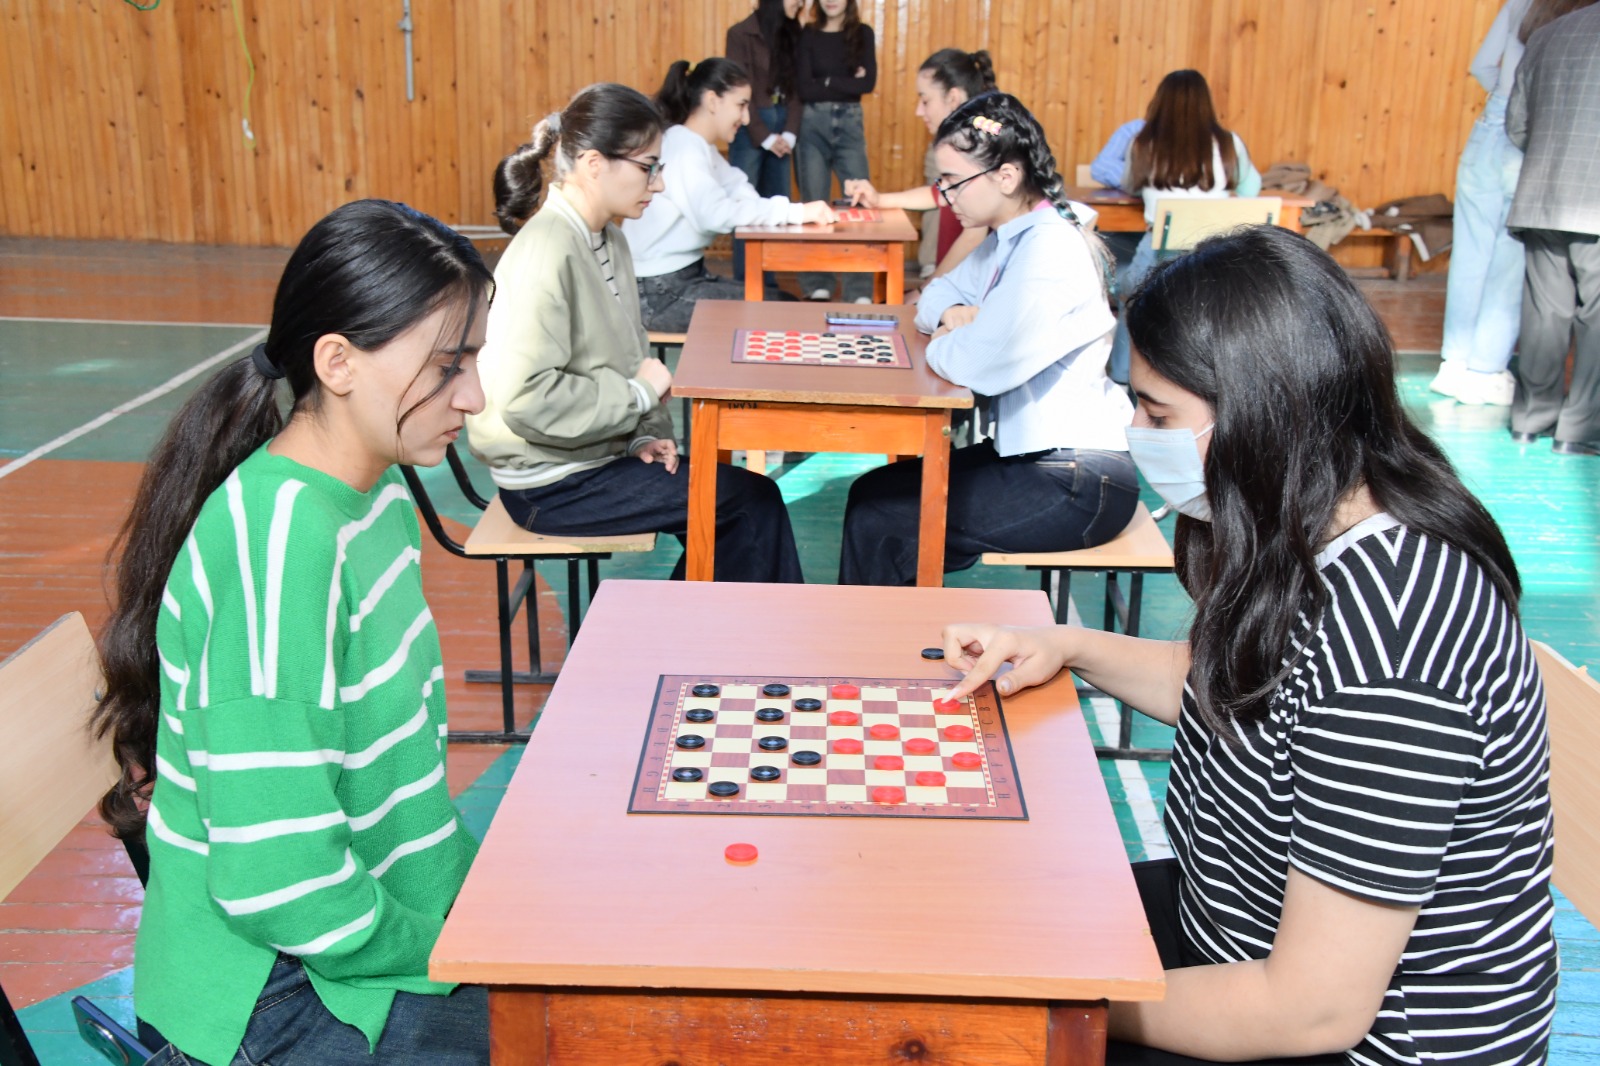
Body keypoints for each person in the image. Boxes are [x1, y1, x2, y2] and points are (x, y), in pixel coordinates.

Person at [940, 226, 1556, 1066]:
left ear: (1264, 413)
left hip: (1351, 1040)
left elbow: (1311, 1012)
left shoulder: (1393, 637)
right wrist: (1067, 645)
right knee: (977, 928)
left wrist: (1057, 1004)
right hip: (1228, 931)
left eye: (1158, 413)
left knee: (967, 1016)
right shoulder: (1307, 522)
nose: (1135, 429)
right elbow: (1224, 688)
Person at [91, 199, 497, 1065]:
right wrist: (441, 951)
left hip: (360, 929)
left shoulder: (375, 496)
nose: (474, 395)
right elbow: (279, 880)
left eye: (474, 361)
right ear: (337, 362)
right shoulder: (281, 547)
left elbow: (393, 783)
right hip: (274, 991)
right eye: (448, 365)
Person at [473, 83, 803, 582]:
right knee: (747, 505)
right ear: (594, 164)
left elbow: (629, 359)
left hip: (588, 458)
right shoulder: (546, 252)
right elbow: (528, 399)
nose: (660, 184)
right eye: (648, 167)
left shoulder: (607, 238)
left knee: (743, 506)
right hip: (551, 485)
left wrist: (642, 436)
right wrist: (637, 398)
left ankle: (691, 627)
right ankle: (687, 629)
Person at [838, 93, 1137, 587]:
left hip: (1078, 479)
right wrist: (952, 315)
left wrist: (951, 336)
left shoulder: (1049, 250)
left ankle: (883, 636)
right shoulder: (1009, 238)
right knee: (872, 492)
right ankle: (890, 629)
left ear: (1007, 176)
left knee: (882, 518)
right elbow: (935, 296)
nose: (946, 195)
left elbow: (975, 365)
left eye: (954, 181)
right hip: (1036, 457)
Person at [624, 58, 835, 332]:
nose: (746, 118)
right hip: (659, 293)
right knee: (783, 308)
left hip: (676, 281)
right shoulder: (684, 147)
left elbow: (738, 186)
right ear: (713, 101)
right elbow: (716, 215)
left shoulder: (698, 146)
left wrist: (790, 212)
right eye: (741, 105)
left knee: (783, 302)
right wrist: (795, 212)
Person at [1109, 70, 1261, 383]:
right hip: (1216, 259)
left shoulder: (1143, 144)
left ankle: (1123, 375)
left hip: (1159, 254)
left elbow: (1130, 184)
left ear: (1159, 103)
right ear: (1207, 104)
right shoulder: (1230, 144)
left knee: (1128, 296)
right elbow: (1251, 190)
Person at [1429, 0, 1534, 407]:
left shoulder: (1518, 3)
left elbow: (1481, 66)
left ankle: (1453, 364)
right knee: (1510, 257)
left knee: (1470, 252)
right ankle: (1485, 370)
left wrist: (1502, 97)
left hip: (1490, 124)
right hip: (1530, 132)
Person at [1506, 0, 1600, 454]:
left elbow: (1516, 126)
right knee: (1596, 319)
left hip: (1542, 195)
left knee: (1545, 313)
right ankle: (1580, 428)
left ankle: (1531, 418)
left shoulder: (1548, 34)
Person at [844, 48, 1000, 280]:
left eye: (925, 101)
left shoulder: (977, 147)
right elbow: (938, 194)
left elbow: (973, 238)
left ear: (953, 98)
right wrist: (879, 200)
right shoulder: (962, 142)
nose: (919, 111)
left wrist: (927, 289)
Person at [795, 0, 878, 302]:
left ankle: (859, 290)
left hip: (850, 124)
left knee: (859, 204)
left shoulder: (863, 33)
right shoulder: (808, 34)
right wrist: (845, 82)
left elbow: (867, 83)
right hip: (811, 125)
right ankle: (817, 283)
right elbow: (804, 88)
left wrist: (825, 81)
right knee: (813, 203)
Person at [726, 0, 806, 286]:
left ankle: (769, 283)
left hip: (784, 125)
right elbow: (739, 91)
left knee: (777, 203)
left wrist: (790, 134)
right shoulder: (739, 34)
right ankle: (744, 282)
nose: (800, 2)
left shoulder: (795, 33)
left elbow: (798, 88)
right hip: (750, 125)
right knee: (745, 203)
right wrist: (765, 137)